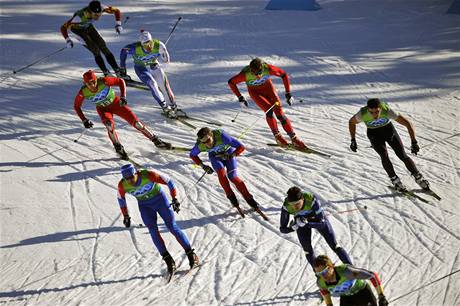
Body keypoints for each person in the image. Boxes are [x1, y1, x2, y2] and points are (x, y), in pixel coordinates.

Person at [117, 163, 199, 274]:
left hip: (160, 201)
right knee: (153, 231)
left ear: (136, 173)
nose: (130, 180)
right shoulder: (123, 185)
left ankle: (191, 255)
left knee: (172, 227)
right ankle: (169, 261)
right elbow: (121, 199)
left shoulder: (148, 175)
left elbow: (169, 181)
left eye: (131, 177)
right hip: (145, 206)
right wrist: (125, 215)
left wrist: (174, 198)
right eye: (127, 179)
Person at [73, 70, 171, 160]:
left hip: (116, 104)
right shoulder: (83, 92)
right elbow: (77, 106)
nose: (92, 85)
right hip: (103, 109)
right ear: (84, 83)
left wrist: (123, 96)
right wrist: (84, 120)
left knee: (137, 123)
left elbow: (120, 81)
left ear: (96, 79)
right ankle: (118, 147)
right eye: (88, 83)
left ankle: (156, 141)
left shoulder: (104, 81)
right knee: (109, 126)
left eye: (93, 81)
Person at [348, 98, 430, 191]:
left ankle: (418, 177)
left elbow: (407, 123)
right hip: (374, 135)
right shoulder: (362, 113)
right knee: (384, 155)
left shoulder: (387, 111)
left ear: (381, 109)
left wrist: (414, 141)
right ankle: (395, 180)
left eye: (377, 112)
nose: (374, 115)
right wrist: (353, 140)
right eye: (371, 112)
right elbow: (351, 122)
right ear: (368, 109)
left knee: (402, 154)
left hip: (389, 131)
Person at [228, 57, 307, 149]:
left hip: (269, 89)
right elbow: (231, 82)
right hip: (256, 93)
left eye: (259, 73)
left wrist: (288, 93)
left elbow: (284, 75)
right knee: (269, 110)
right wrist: (240, 97)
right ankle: (277, 136)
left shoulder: (268, 68)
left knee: (280, 114)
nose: (257, 76)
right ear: (250, 69)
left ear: (262, 68)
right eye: (254, 73)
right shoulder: (245, 74)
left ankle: (294, 138)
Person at [189, 127, 261, 212]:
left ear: (212, 136)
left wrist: (232, 155)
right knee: (221, 175)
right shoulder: (200, 145)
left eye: (208, 140)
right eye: (203, 142)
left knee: (233, 177)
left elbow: (241, 147)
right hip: (215, 157)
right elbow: (192, 155)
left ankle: (249, 199)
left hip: (229, 152)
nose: (206, 144)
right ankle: (231, 198)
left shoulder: (222, 137)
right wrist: (203, 166)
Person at [280, 187, 352, 268]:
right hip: (300, 223)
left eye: (297, 204)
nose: (295, 207)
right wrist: (292, 228)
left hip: (315, 219)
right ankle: (319, 274)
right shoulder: (286, 206)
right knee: (308, 251)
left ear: (303, 199)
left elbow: (322, 223)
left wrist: (307, 223)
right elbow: (282, 229)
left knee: (335, 246)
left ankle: (352, 269)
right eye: (292, 205)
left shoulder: (311, 199)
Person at [119, 30, 181, 118]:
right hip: (141, 68)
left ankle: (173, 105)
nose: (149, 46)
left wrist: (160, 58)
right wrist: (122, 67)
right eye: (145, 44)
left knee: (164, 85)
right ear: (141, 44)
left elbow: (166, 61)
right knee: (153, 84)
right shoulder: (135, 48)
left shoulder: (159, 45)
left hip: (153, 65)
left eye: (150, 43)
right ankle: (165, 107)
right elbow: (123, 51)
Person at [61, 0, 122, 76]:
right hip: (77, 31)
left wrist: (118, 24)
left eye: (99, 14)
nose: (97, 17)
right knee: (95, 49)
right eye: (95, 15)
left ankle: (117, 70)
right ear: (90, 12)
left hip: (88, 26)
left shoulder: (102, 8)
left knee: (102, 46)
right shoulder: (80, 17)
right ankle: (106, 72)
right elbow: (63, 27)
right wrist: (68, 40)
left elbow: (116, 10)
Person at [314, 255, 389, 306]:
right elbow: (324, 291)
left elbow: (372, 276)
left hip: (363, 293)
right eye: (319, 273)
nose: (323, 276)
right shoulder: (321, 282)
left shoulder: (347, 272)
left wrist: (381, 296)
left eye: (324, 271)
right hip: (346, 298)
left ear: (331, 267)